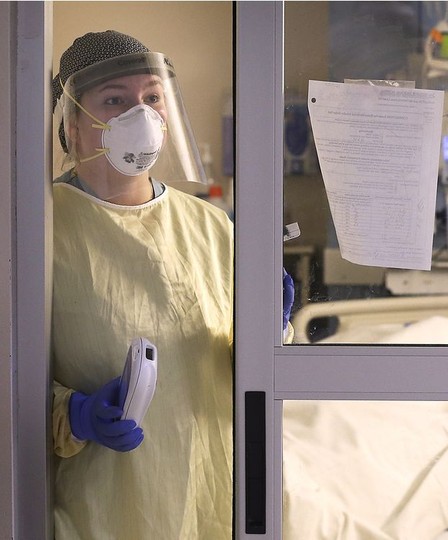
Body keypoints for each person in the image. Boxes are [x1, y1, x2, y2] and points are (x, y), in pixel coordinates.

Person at [50, 30, 293, 539]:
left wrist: (272, 330)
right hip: (105, 509)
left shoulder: (210, 226)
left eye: (152, 98)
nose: (140, 117)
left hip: (213, 493)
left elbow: (237, 369)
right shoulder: (38, 228)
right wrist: (71, 415)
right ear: (72, 122)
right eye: (115, 100)